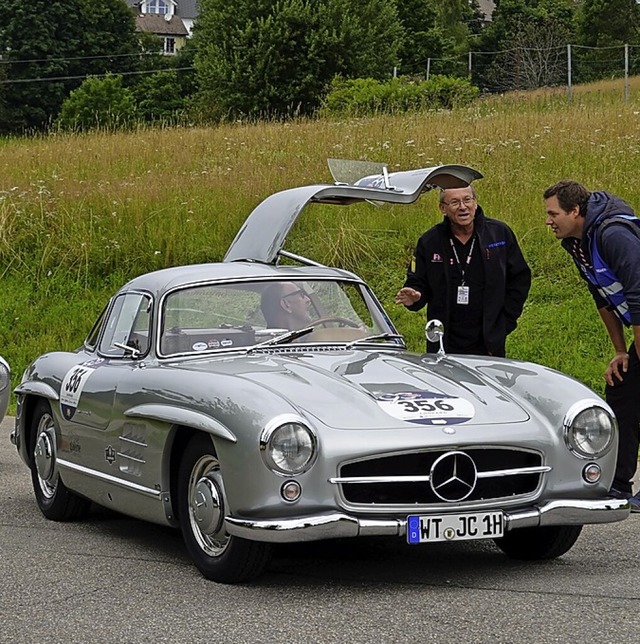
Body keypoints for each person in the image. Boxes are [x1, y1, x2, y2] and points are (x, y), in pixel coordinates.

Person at [544, 180, 640, 511]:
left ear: (575, 211)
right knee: (622, 390)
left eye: (553, 213)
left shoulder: (613, 234)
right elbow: (601, 296)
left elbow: (638, 293)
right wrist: (621, 351)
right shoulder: (575, 243)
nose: (548, 221)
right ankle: (618, 484)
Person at [395, 184, 531, 357]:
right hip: (445, 340)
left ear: (475, 203)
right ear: (443, 208)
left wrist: (504, 323)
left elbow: (520, 278)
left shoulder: (498, 234)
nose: (463, 207)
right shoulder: (430, 241)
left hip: (488, 338)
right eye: (454, 202)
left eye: (467, 200)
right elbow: (417, 283)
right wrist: (415, 297)